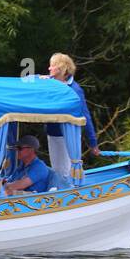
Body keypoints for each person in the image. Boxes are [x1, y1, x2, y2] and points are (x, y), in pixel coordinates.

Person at [44, 52, 99, 186]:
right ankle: (65, 191)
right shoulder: (50, 83)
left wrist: (93, 143)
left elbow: (85, 116)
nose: (49, 69)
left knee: (64, 171)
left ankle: (71, 195)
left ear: (61, 68)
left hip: (67, 136)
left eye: (52, 66)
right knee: (58, 170)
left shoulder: (74, 90)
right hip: (52, 134)